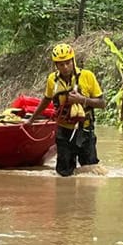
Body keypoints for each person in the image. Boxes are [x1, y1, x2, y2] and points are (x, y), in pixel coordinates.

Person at [25, 43, 105, 177]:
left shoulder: (87, 76)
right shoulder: (52, 80)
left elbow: (102, 103)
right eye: (61, 64)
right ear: (56, 65)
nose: (65, 67)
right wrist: (31, 120)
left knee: (92, 171)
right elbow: (46, 100)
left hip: (85, 130)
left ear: (73, 61)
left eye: (68, 63)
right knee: (63, 174)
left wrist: (82, 100)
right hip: (63, 131)